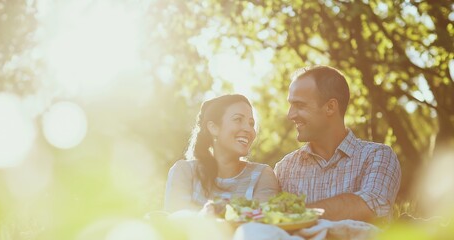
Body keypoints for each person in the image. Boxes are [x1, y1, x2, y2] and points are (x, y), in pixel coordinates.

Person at [274, 65, 401, 222]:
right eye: (291, 105)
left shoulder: (378, 156)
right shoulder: (284, 169)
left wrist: (294, 215)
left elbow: (370, 207)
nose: (290, 115)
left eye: (300, 105)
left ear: (330, 107)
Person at [164, 94, 280, 213]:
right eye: (238, 119)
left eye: (251, 124)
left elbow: (262, 222)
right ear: (214, 128)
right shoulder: (184, 171)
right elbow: (176, 222)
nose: (248, 129)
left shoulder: (262, 175)